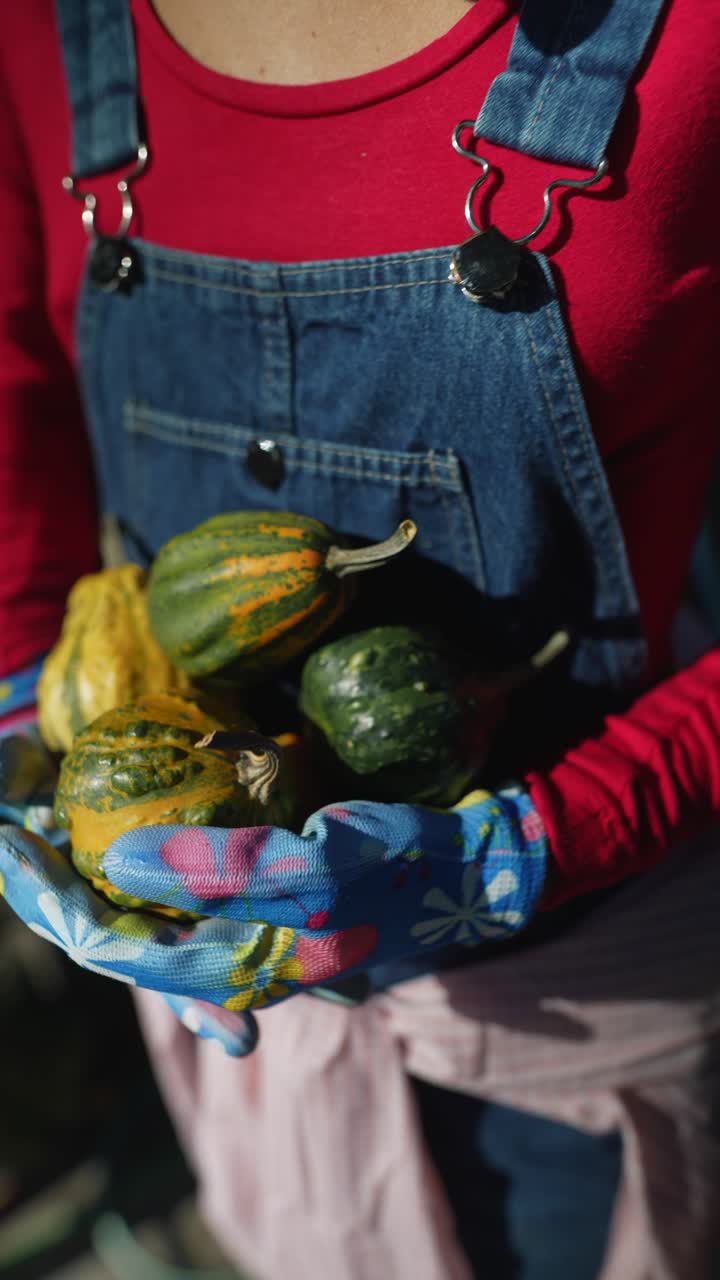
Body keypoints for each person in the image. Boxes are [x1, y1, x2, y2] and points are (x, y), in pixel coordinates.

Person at [1, 0, 719, 1275]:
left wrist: (535, 839)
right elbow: (16, 401)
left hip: (583, 1003)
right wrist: (23, 706)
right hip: (243, 1012)